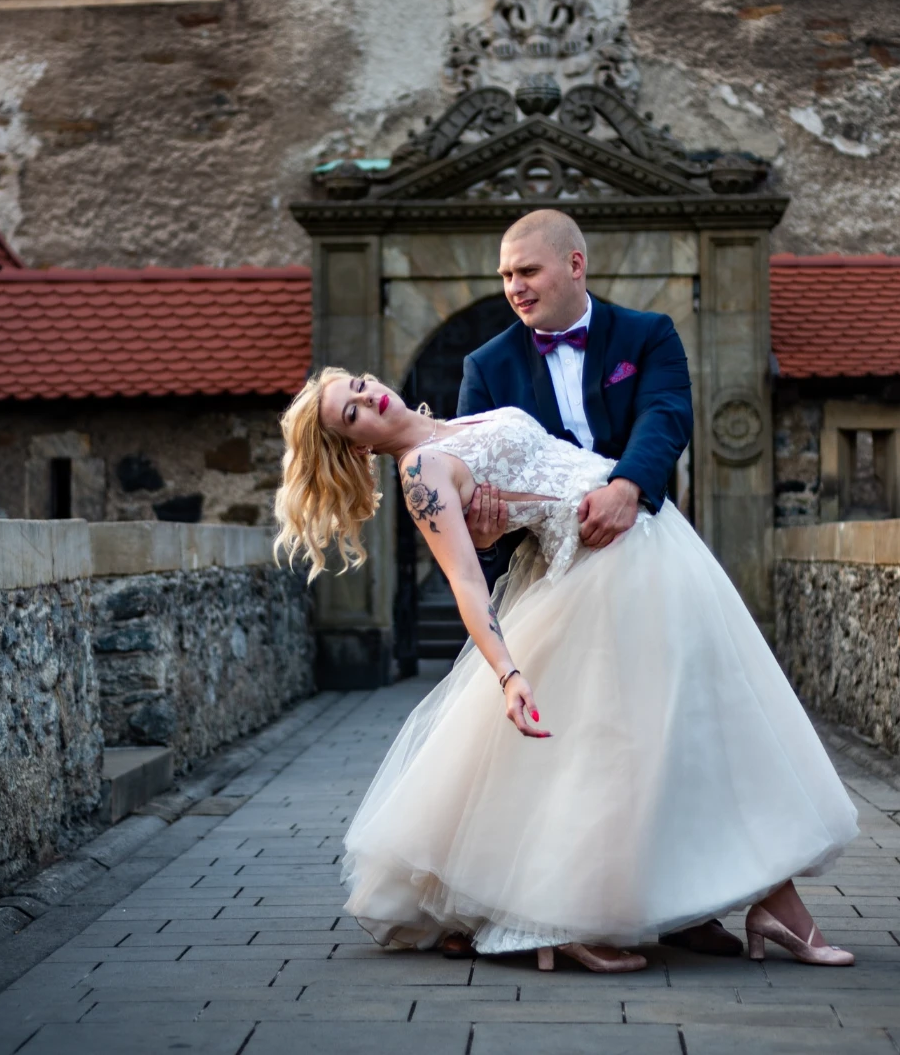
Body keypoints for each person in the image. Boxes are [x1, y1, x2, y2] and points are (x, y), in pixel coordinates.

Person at [274, 317, 861, 976]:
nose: (369, 396)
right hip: (598, 578)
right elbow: (466, 580)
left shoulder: (457, 424)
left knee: (705, 724)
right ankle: (573, 916)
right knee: (643, 745)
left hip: (654, 545)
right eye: (352, 413)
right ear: (354, 448)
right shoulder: (420, 474)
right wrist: (508, 675)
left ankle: (763, 901)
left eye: (359, 385)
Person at [452, 209, 737, 959]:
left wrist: (628, 488)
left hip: (643, 563)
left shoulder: (648, 335)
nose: (514, 287)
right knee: (564, 740)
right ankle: (522, 898)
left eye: (528, 271)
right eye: (505, 275)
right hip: (551, 582)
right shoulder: (486, 365)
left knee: (664, 729)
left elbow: (666, 415)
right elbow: (473, 478)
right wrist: (486, 526)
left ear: (575, 265)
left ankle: (681, 902)